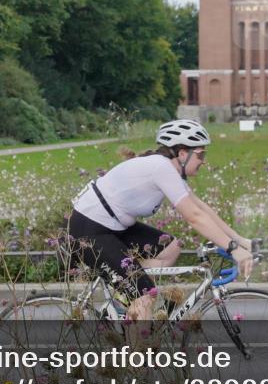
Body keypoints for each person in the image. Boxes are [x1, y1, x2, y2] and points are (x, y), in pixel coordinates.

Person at [68, 119, 254, 322]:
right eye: (201, 154)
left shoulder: (168, 169)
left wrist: (239, 240)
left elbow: (201, 208)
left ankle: (131, 299)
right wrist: (233, 249)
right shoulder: (161, 168)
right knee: (145, 295)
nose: (204, 161)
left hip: (114, 225)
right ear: (182, 153)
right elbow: (194, 217)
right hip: (89, 228)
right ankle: (137, 314)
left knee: (171, 248)